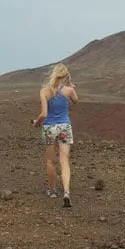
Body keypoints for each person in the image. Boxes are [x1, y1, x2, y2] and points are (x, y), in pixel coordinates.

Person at [32, 63, 79, 207]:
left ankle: (52, 191)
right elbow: (76, 101)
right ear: (65, 76)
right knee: (64, 160)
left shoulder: (44, 91)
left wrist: (36, 123)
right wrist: (71, 87)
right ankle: (66, 192)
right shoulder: (69, 90)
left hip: (49, 128)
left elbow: (44, 114)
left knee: (50, 161)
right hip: (64, 126)